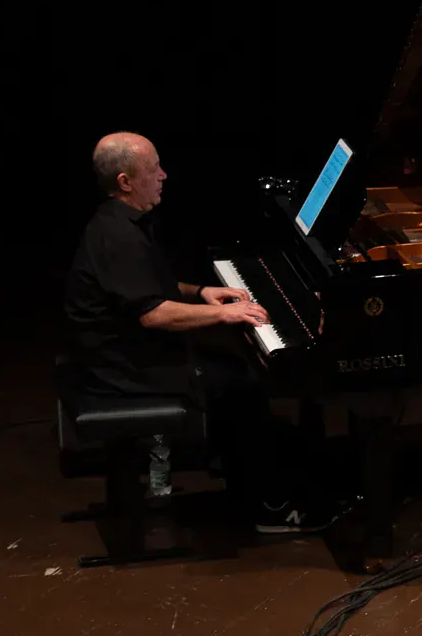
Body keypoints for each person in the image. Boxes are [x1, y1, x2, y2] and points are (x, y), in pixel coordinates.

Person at [63, 132, 323, 532]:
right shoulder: (118, 237)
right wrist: (225, 315)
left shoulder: (123, 221)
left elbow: (151, 288)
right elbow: (152, 314)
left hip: (127, 349)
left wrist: (202, 291)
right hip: (120, 366)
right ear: (125, 182)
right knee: (241, 385)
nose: (164, 175)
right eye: (153, 169)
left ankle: (235, 468)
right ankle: (263, 508)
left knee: (233, 369)